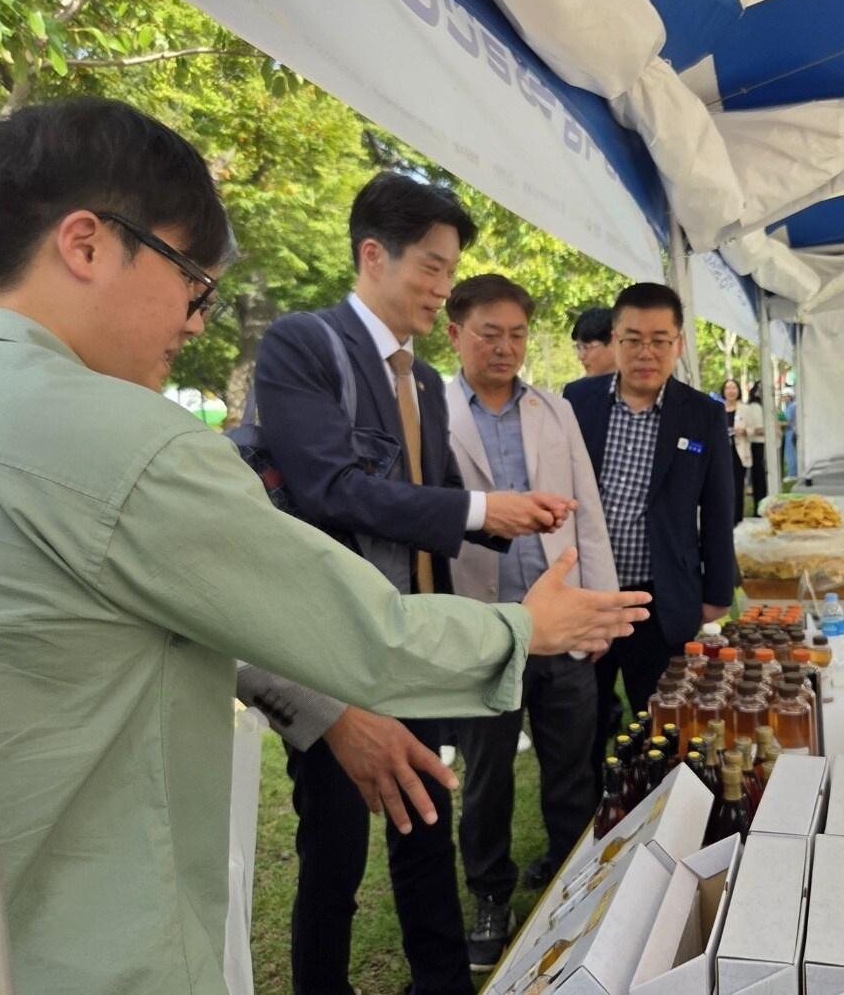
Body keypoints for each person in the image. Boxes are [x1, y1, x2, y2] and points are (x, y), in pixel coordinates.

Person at [0, 97, 650, 995]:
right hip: (90, 940)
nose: (197, 320)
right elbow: (349, 589)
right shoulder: (138, 437)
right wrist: (522, 624)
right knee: (336, 859)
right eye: (189, 280)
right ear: (85, 243)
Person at [251, 173, 583, 995]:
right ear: (374, 254)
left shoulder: (426, 381)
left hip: (417, 639)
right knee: (333, 847)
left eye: (448, 270)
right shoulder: (302, 346)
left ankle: (441, 981)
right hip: (333, 647)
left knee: (426, 823)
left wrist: (498, 519)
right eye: (431, 268)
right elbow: (329, 487)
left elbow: (431, 500)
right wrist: (478, 505)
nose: (441, 288)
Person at [442, 274, 617, 969]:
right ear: (454, 333)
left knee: (572, 763)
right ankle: (490, 892)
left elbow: (588, 510)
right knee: (486, 773)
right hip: (482, 623)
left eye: (517, 334)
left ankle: (574, 876)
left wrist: (599, 612)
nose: (505, 347)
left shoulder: (552, 409)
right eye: (490, 332)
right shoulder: (435, 412)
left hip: (564, 615)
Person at [563, 283, 736, 773]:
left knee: (662, 724)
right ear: (615, 340)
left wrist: (717, 590)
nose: (646, 353)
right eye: (633, 339)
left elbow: (718, 507)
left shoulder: (701, 414)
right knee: (582, 725)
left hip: (660, 599)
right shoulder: (578, 402)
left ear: (679, 344)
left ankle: (661, 822)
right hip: (587, 596)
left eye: (660, 340)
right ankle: (583, 832)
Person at [721, 378, 759, 523]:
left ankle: (737, 517)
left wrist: (744, 431)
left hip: (739, 451)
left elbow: (753, 429)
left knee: (737, 485)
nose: (731, 391)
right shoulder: (718, 408)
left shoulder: (745, 409)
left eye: (734, 388)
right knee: (723, 486)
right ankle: (725, 517)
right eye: (728, 388)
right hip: (722, 452)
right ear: (723, 391)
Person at [571, 306, 615, 376]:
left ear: (613, 342)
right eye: (579, 348)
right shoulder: (577, 387)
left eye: (586, 347)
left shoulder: (635, 384)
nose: (581, 356)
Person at [746, 381, 769, 509]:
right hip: (757, 444)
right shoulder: (755, 407)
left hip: (760, 444)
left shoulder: (759, 407)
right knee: (759, 476)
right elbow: (758, 428)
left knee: (760, 476)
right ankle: (760, 504)